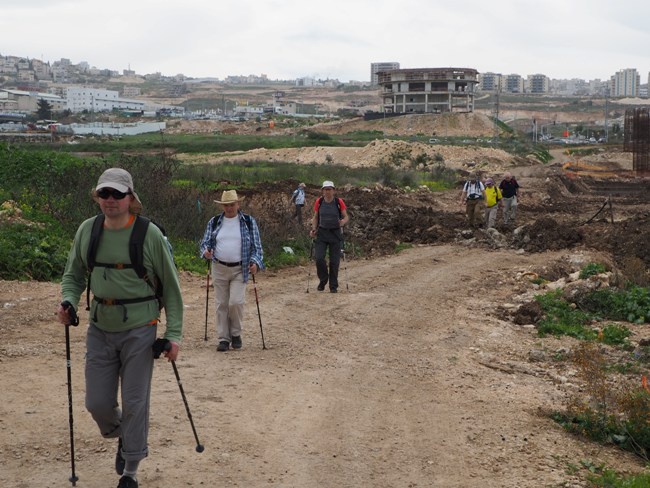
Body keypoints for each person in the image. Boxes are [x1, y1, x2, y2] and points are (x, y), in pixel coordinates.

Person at [57, 168, 183, 488]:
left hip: (141, 327)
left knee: (135, 400)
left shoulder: (148, 234)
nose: (110, 200)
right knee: (96, 403)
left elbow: (171, 287)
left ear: (130, 198)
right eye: (104, 194)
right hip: (99, 326)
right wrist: (69, 301)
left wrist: (173, 335)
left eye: (117, 194)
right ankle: (123, 435)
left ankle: (130, 469)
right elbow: (73, 275)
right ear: (98, 197)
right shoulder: (88, 230)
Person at [200, 190, 264, 352]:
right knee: (221, 303)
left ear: (238, 204)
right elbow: (205, 243)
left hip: (240, 268)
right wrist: (206, 252)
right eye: (226, 205)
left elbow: (257, 248)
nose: (229, 208)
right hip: (219, 267)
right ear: (222, 206)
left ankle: (235, 333)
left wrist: (255, 262)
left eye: (232, 205)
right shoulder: (214, 222)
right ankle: (223, 338)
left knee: (235, 302)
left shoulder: (248, 222)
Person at [309, 180, 349, 293]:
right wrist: (313, 229)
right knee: (319, 258)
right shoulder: (319, 202)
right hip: (322, 233)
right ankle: (323, 279)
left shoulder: (338, 202)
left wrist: (343, 222)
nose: (327, 192)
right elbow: (316, 217)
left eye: (329, 189)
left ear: (333, 190)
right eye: (325, 189)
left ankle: (333, 286)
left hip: (335, 233)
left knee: (334, 261)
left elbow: (346, 216)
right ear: (322, 191)